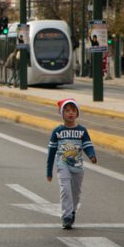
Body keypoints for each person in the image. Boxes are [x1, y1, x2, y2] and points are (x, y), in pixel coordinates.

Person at [45, 99, 97, 230]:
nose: (70, 113)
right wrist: (49, 171)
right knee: (65, 190)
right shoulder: (57, 131)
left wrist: (91, 155)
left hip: (78, 167)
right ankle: (66, 216)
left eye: (73, 110)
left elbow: (87, 145)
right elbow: (51, 152)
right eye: (67, 110)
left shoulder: (82, 131)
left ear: (77, 113)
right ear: (62, 113)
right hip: (63, 165)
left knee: (75, 193)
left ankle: (72, 210)